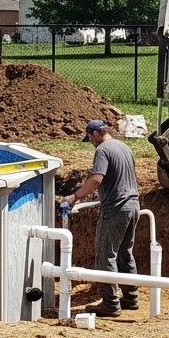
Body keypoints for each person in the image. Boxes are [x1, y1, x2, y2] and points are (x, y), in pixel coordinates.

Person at [60, 119, 140, 317]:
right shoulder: (123, 147)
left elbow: (97, 178)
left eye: (89, 138)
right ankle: (131, 298)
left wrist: (74, 197)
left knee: (106, 255)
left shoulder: (103, 150)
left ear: (95, 134)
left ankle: (111, 304)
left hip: (116, 208)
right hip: (133, 205)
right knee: (124, 254)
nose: (91, 142)